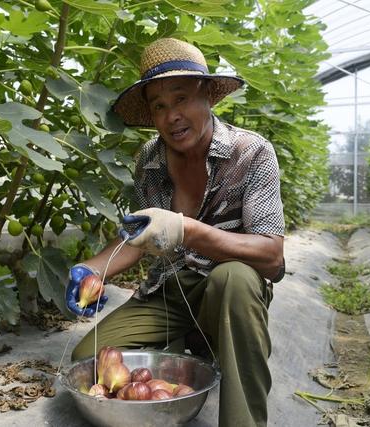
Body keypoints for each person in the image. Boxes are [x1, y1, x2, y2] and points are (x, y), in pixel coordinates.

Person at [65, 38, 285, 427]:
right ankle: (193, 347)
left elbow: (272, 257)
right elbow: (140, 235)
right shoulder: (150, 159)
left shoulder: (252, 153)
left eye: (181, 99)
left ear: (207, 96)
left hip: (226, 290)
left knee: (234, 278)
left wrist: (187, 230)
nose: (171, 117)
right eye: (159, 107)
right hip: (170, 290)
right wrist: (92, 270)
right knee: (90, 357)